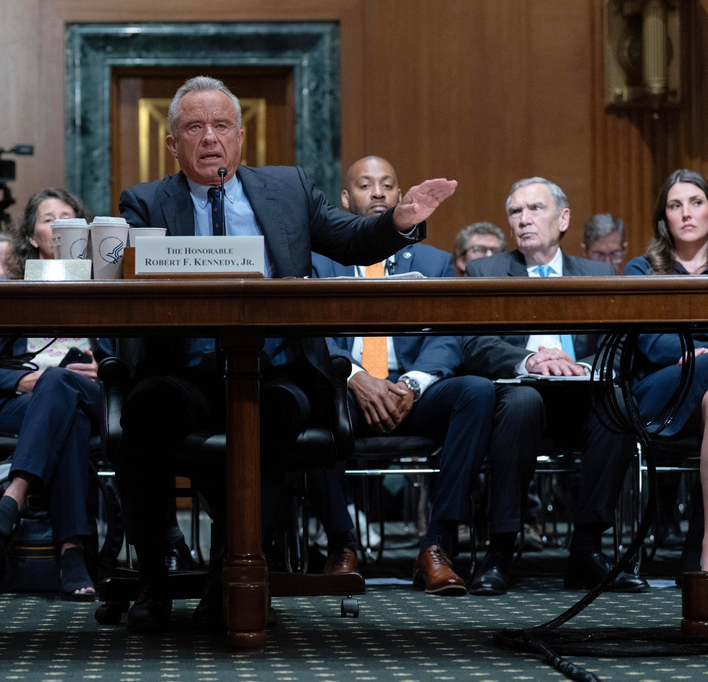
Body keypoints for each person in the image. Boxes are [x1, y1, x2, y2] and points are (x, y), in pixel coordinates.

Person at [116, 75, 456, 631]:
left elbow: (351, 238)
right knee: (144, 409)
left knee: (269, 415)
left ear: (240, 137)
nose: (210, 138)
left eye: (222, 125)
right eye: (194, 128)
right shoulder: (146, 202)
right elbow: (127, 280)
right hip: (188, 374)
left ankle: (230, 575)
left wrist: (398, 222)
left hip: (275, 371)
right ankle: (153, 582)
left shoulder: (287, 188)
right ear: (173, 144)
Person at [313, 156, 493, 593]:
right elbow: (311, 334)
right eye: (365, 185)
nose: (378, 192)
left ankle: (436, 546)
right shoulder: (319, 261)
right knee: (309, 397)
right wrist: (356, 377)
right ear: (345, 199)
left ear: (399, 196)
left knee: (477, 392)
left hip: (410, 390)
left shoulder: (434, 261)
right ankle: (341, 544)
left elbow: (447, 336)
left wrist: (412, 384)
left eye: (387, 185)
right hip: (346, 392)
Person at [463, 177, 646, 595]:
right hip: (520, 397)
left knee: (619, 403)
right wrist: (529, 360)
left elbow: (619, 348)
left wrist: (580, 366)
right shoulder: (487, 271)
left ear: (563, 219)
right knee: (522, 402)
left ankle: (586, 549)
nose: (523, 219)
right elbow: (475, 344)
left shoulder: (598, 273)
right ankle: (501, 549)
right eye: (515, 211)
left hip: (582, 395)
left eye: (535, 209)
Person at [0, 188, 106, 600]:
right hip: (24, 402)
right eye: (49, 219)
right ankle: (72, 554)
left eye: (69, 218)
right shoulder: (13, 293)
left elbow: (130, 355)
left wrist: (104, 369)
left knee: (60, 385)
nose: (60, 225)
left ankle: (13, 498)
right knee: (64, 406)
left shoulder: (104, 287)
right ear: (31, 237)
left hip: (95, 395)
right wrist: (21, 380)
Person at [624, 169, 708, 574]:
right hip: (660, 391)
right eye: (675, 205)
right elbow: (650, 343)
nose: (686, 213)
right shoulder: (642, 269)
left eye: (696, 202)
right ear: (664, 218)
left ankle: (701, 550)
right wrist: (697, 353)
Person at [5, 188, 88, 277]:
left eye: (66, 219)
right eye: (48, 220)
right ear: (32, 237)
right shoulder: (19, 285)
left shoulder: (93, 279)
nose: (58, 225)